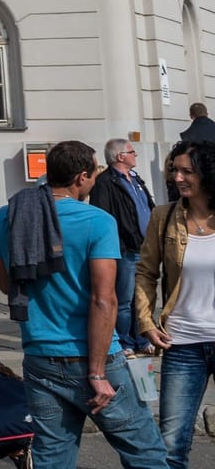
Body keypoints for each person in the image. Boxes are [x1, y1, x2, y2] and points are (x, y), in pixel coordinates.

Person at [0, 139, 166, 469]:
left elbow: (5, 284)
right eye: (95, 172)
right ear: (82, 177)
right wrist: (97, 372)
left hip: (40, 355)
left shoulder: (9, 215)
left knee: (53, 456)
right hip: (94, 358)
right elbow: (104, 299)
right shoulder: (98, 221)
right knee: (145, 451)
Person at [133, 139, 215, 469]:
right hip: (182, 342)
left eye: (187, 172)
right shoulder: (164, 217)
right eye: (175, 171)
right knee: (170, 445)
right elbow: (145, 273)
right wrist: (147, 322)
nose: (178, 178)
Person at [91, 137, 159, 354]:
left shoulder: (136, 179)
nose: (135, 155)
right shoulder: (105, 183)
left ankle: (142, 337)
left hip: (145, 247)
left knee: (142, 297)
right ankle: (125, 341)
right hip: (126, 250)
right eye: (132, 151)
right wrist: (118, 246)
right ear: (120, 156)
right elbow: (103, 218)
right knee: (124, 300)